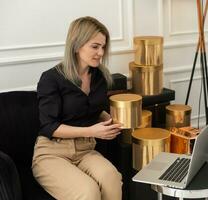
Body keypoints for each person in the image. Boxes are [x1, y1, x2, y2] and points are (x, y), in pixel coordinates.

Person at [32, 16, 123, 200]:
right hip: (52, 153)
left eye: (103, 47)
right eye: (95, 46)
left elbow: (96, 111)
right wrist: (92, 130)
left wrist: (110, 121)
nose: (101, 52)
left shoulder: (100, 77)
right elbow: (50, 127)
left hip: (85, 149)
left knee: (112, 178)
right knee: (88, 192)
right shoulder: (51, 78)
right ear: (76, 45)